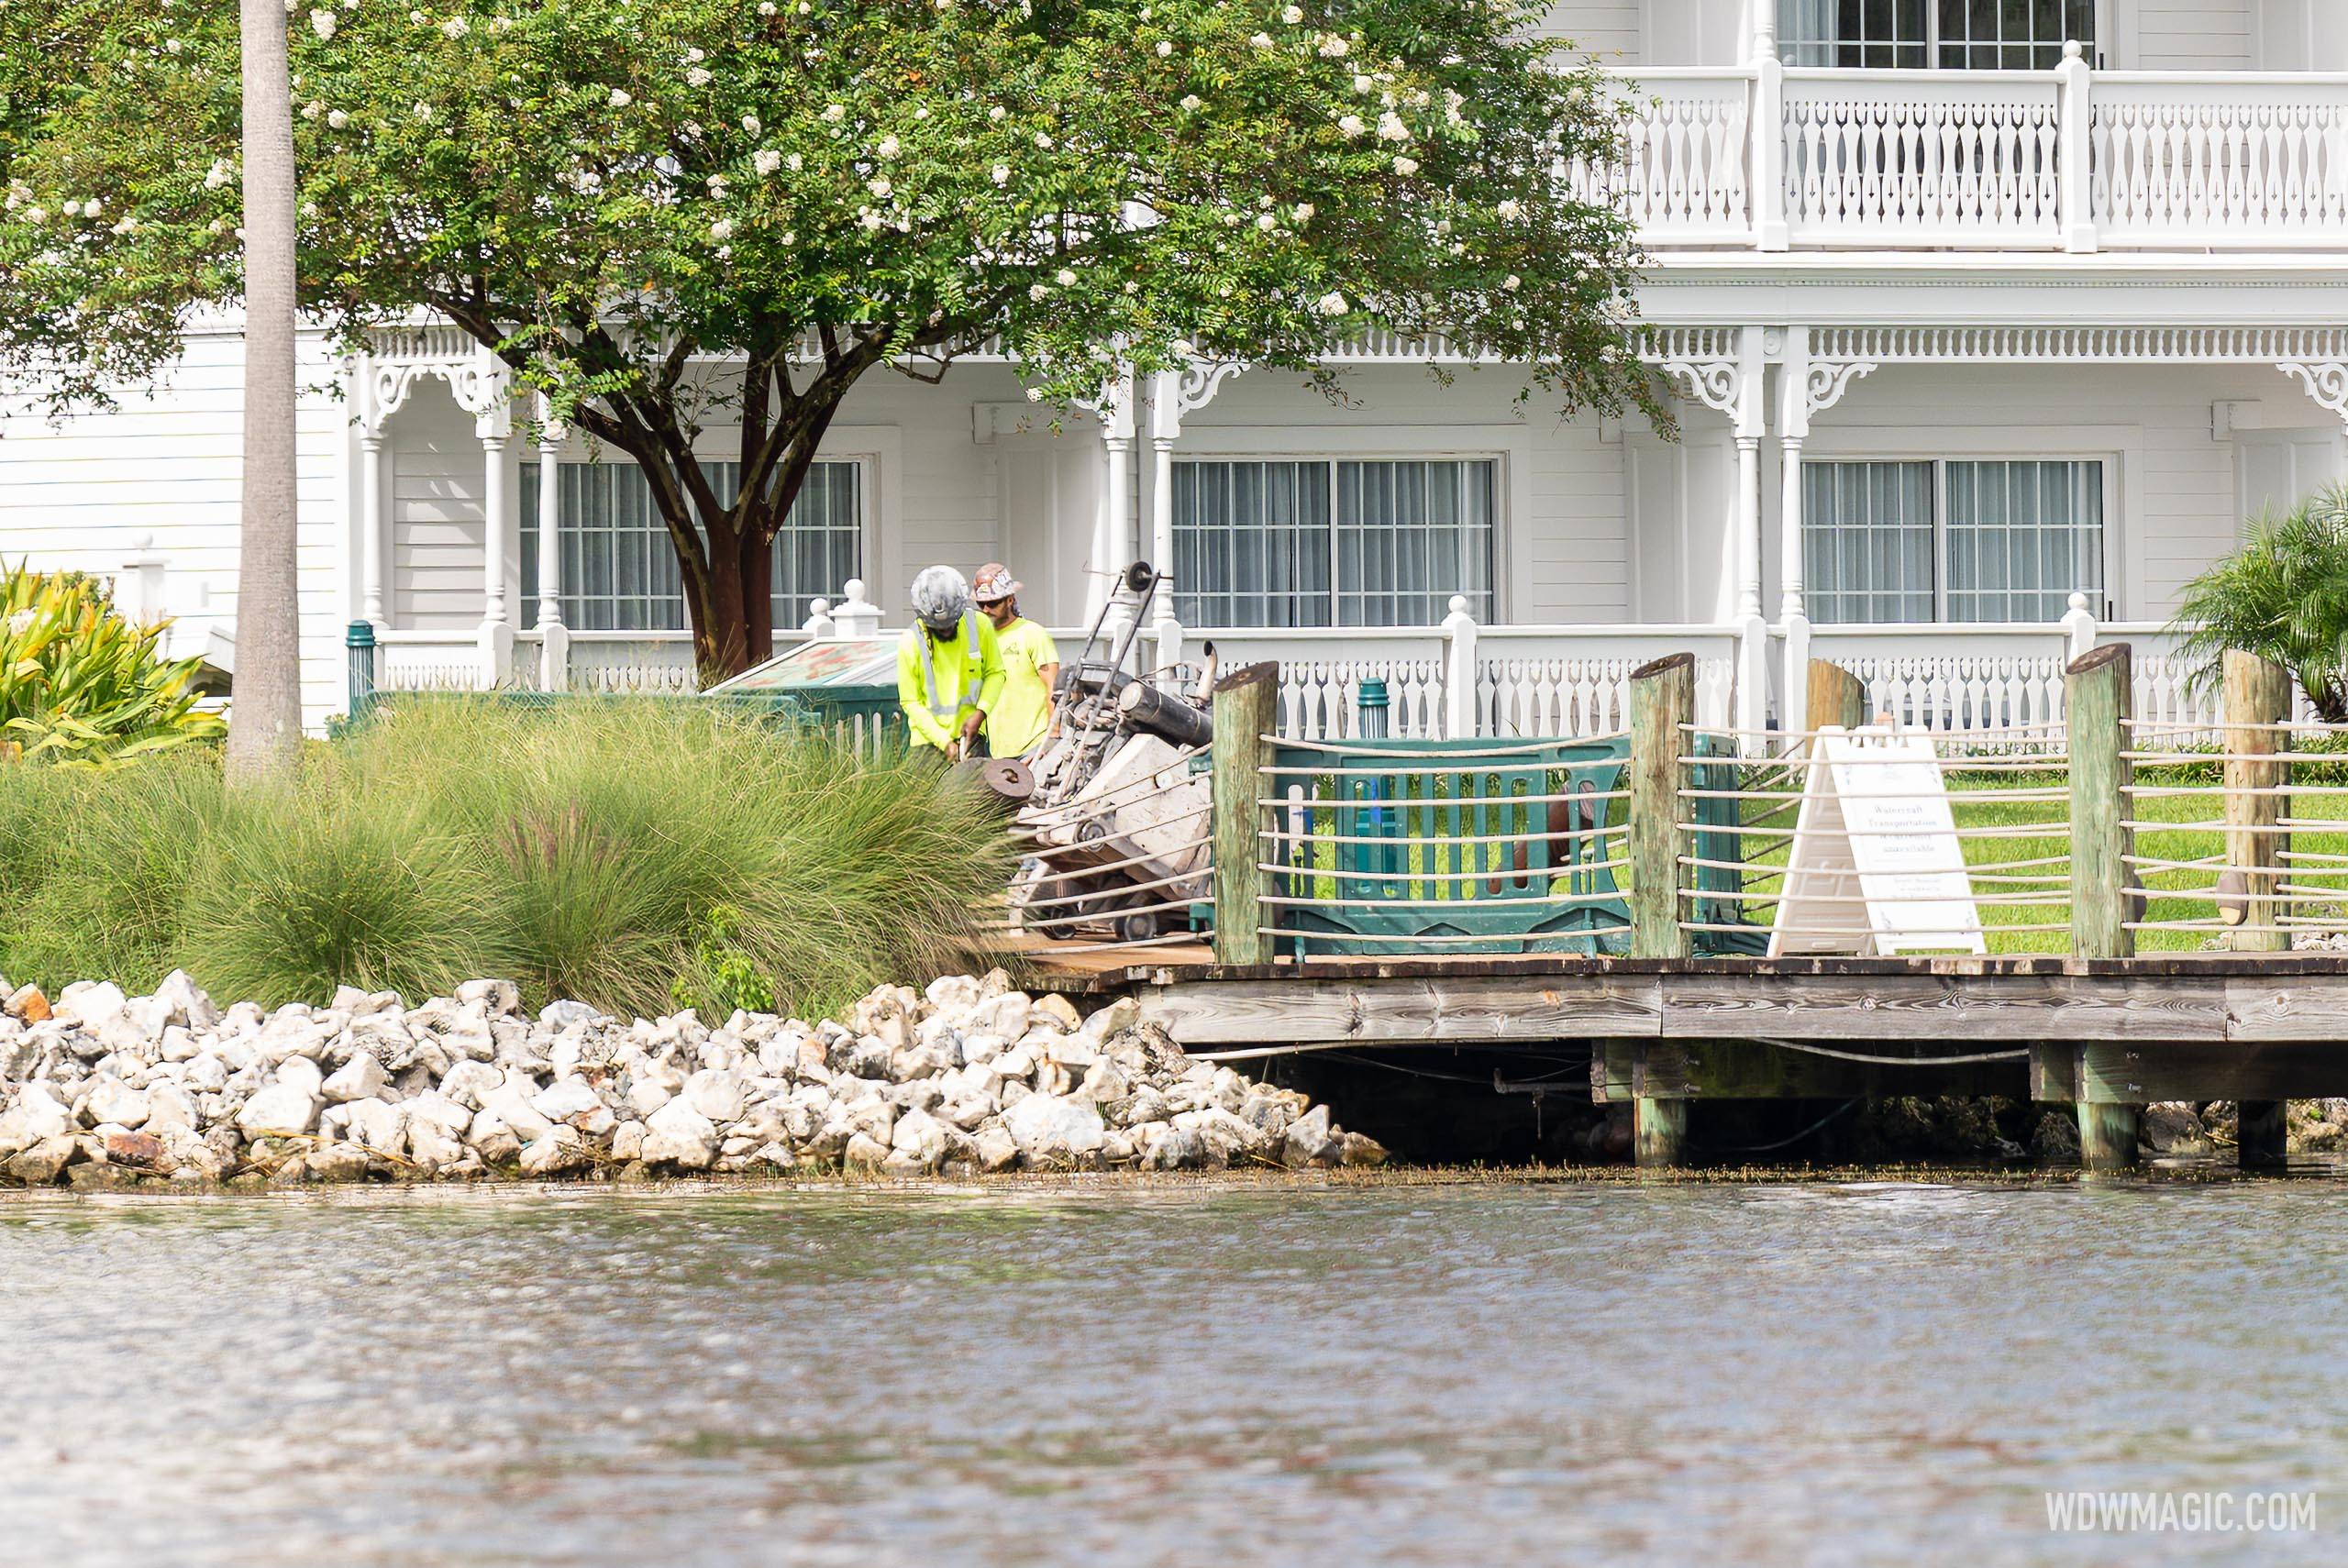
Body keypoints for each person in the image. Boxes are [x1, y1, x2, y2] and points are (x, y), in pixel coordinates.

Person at [896, 565, 1003, 760]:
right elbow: (910, 701)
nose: (945, 630)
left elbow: (996, 673)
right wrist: (943, 741)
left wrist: (980, 714)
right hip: (926, 746)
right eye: (938, 627)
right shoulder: (910, 641)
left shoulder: (980, 625)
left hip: (971, 738)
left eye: (950, 623)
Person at [971, 562, 1060, 758]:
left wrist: (1051, 739)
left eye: (993, 603)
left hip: (1034, 747)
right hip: (998, 752)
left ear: (1010, 600)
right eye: (981, 604)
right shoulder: (981, 640)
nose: (986, 609)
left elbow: (1053, 688)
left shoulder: (1032, 634)